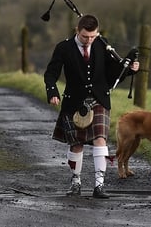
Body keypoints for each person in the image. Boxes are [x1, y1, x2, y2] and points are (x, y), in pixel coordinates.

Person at [44, 14, 139, 198]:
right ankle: (76, 182)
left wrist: (129, 69)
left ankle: (99, 186)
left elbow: (113, 72)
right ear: (77, 31)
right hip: (74, 102)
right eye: (85, 36)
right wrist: (52, 92)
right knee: (76, 144)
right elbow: (50, 74)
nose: (89, 40)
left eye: (93, 36)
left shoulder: (102, 44)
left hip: (99, 99)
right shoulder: (64, 48)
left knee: (100, 140)